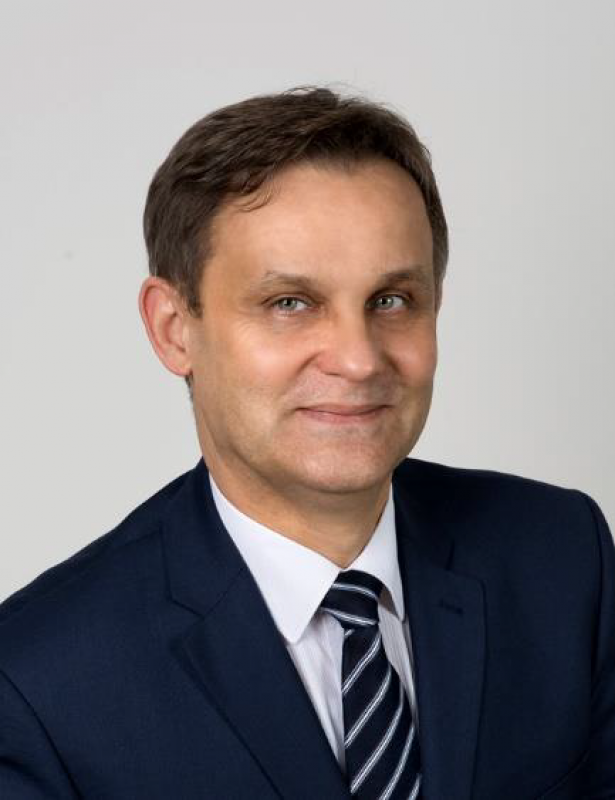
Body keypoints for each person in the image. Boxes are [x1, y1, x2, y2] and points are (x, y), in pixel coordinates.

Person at [0, 85, 613, 800]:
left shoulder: (560, 557)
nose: (358, 359)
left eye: (392, 300)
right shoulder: (37, 682)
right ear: (174, 329)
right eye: (289, 303)